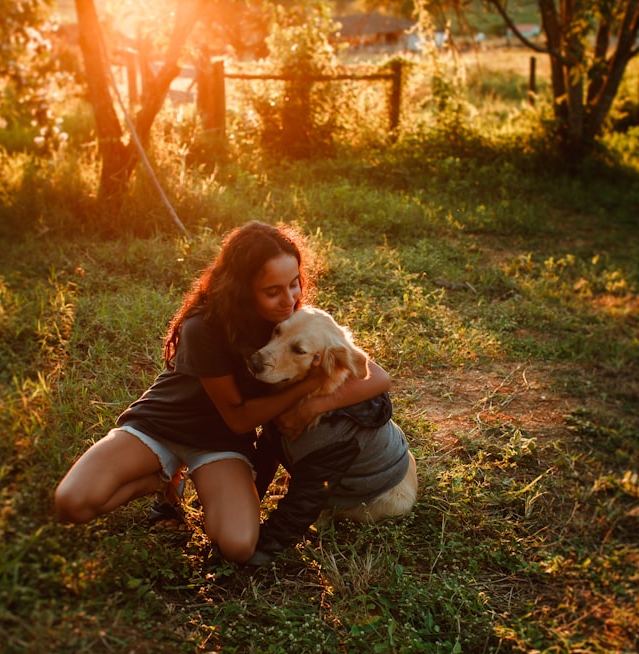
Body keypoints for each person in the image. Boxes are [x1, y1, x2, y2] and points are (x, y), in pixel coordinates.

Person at [53, 221, 391, 563]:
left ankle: (168, 480)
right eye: (272, 291)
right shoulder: (204, 327)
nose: (289, 300)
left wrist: (309, 407)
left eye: (294, 284)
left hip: (221, 445)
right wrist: (309, 384)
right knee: (72, 503)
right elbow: (239, 418)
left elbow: (376, 377)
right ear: (243, 288)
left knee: (238, 546)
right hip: (164, 423)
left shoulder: (293, 320)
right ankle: (163, 478)